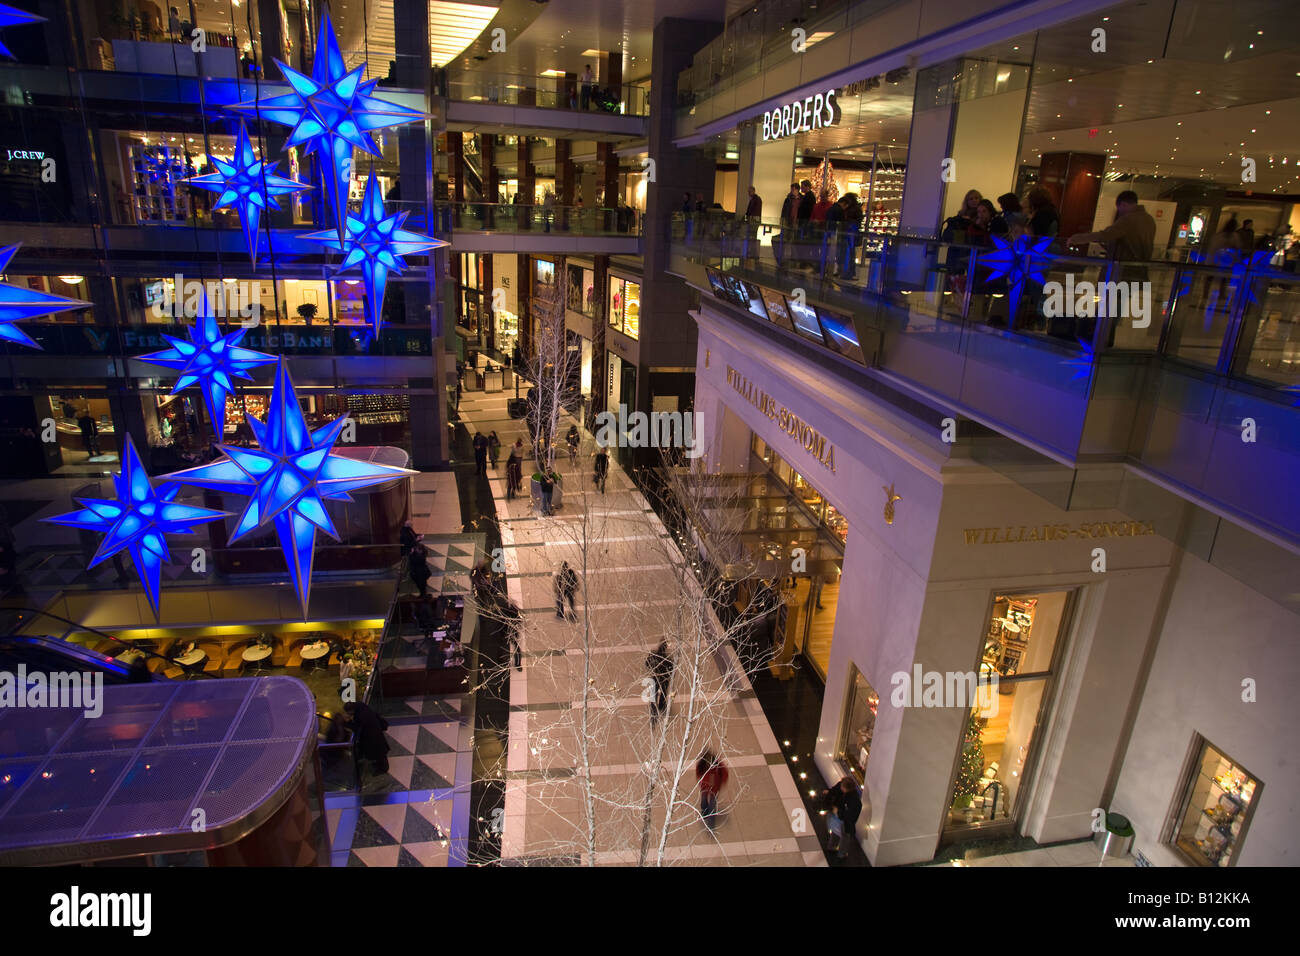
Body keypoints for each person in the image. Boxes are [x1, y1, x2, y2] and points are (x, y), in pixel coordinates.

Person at [1066, 189, 1156, 262]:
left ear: (1123, 204)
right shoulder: (1149, 219)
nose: (1120, 213)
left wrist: (1076, 239)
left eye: (1119, 209)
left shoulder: (1129, 219)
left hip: (1124, 271)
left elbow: (1105, 235)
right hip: (1141, 268)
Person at [344, 701, 390, 776]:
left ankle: (383, 768)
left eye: (349, 712)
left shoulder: (359, 715)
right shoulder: (360, 705)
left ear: (351, 710)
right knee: (379, 751)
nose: (349, 714)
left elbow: (356, 727)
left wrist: (347, 722)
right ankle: (380, 765)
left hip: (372, 735)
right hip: (375, 731)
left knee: (379, 752)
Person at [822, 776, 862, 860]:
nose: (840, 788)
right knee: (835, 832)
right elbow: (834, 790)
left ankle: (842, 853)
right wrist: (829, 793)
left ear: (847, 789)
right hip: (838, 815)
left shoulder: (855, 800)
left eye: (842, 787)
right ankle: (832, 847)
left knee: (844, 836)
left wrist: (838, 812)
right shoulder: (841, 785)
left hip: (845, 820)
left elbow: (851, 816)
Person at [695, 749, 729, 828]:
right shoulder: (701, 765)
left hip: (714, 788)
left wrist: (722, 782)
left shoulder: (718, 766)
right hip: (705, 787)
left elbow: (724, 774)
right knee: (704, 801)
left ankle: (711, 820)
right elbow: (698, 773)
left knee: (712, 803)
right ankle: (705, 813)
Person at [646, 640, 673, 724]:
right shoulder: (666, 658)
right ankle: (661, 706)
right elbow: (671, 668)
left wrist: (652, 670)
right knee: (663, 693)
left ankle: (654, 712)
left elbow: (647, 663)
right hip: (664, 679)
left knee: (654, 694)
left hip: (655, 677)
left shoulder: (653, 654)